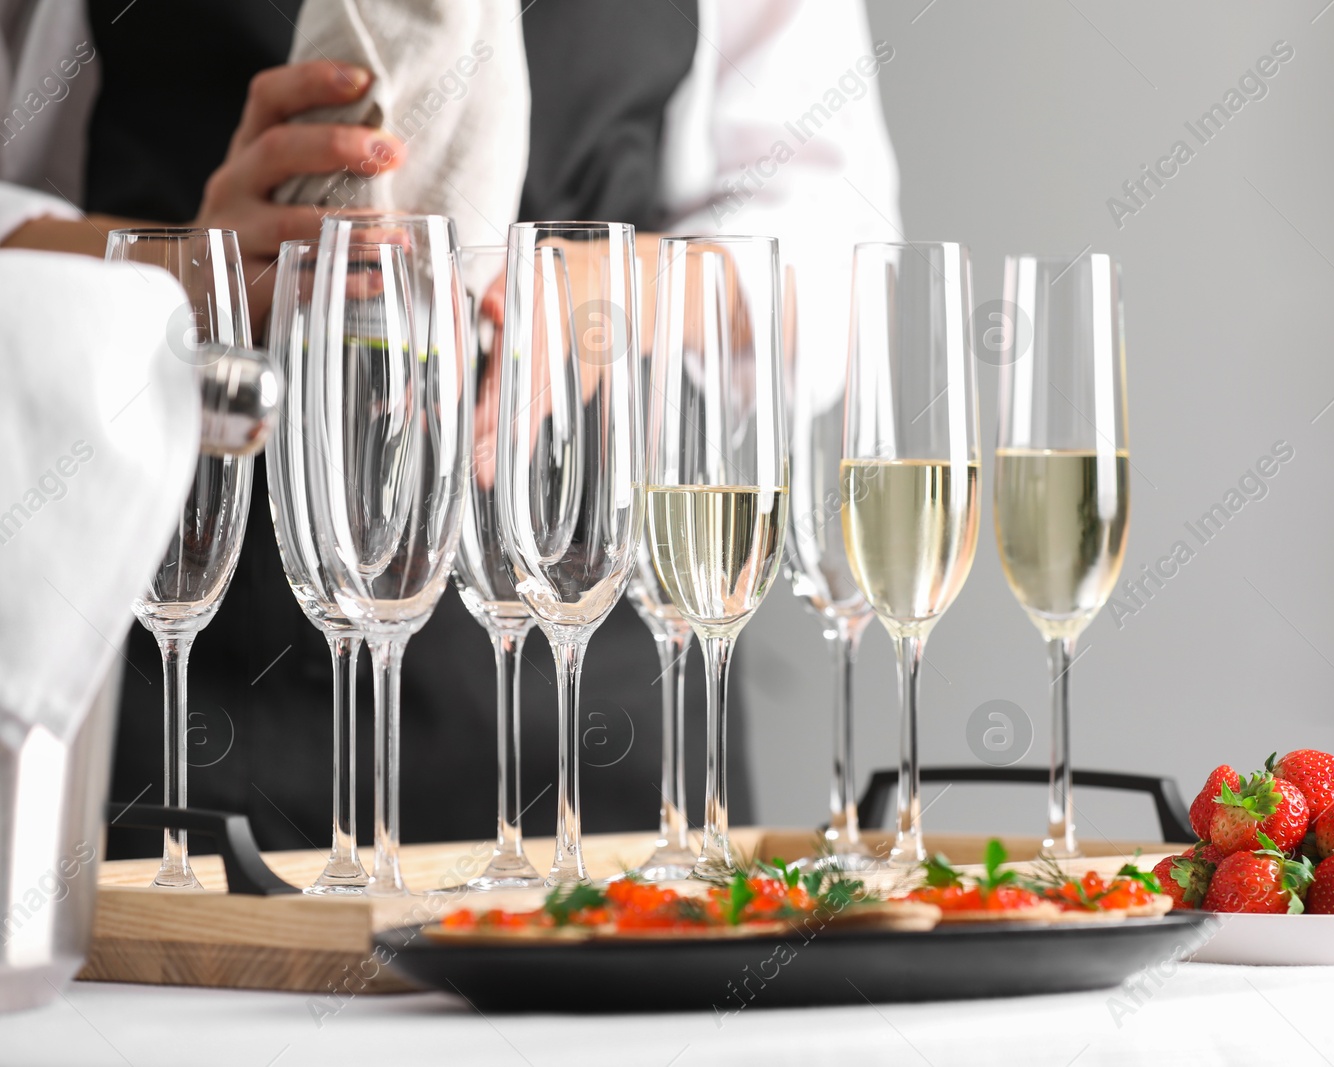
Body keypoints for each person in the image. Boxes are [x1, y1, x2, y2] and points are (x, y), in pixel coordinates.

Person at [0, 0, 900, 857]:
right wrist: (183, 268)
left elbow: (834, 225)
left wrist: (622, 289)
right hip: (178, 672)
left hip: (596, 692)